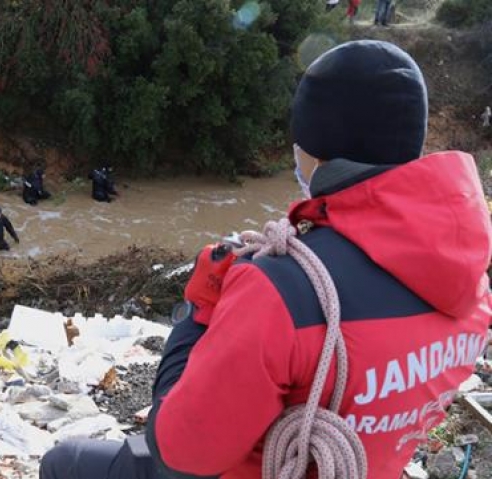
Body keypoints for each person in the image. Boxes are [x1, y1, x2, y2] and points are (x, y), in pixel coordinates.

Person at [40, 40, 492, 479]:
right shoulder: (469, 278)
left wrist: (199, 313)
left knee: (66, 461)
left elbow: (180, 454)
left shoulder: (282, 290)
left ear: (315, 153)